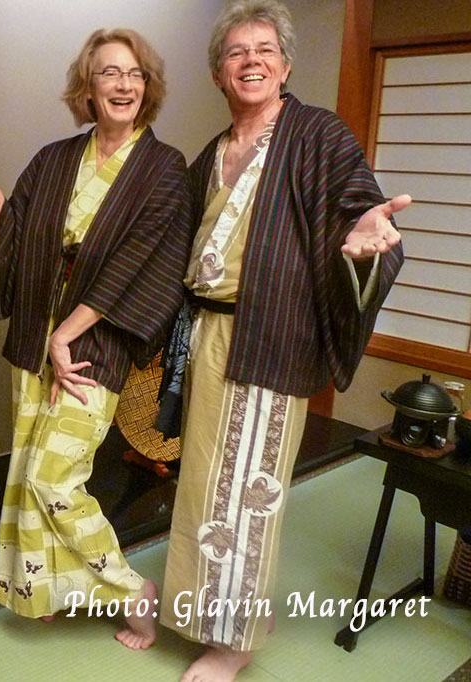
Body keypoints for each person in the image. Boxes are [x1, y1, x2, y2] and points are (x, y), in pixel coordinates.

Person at [157, 1, 408, 680]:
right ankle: (198, 614)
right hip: (207, 333)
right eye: (237, 51)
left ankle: (234, 642)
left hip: (273, 335)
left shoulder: (316, 134)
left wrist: (362, 240)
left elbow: (357, 199)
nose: (252, 61)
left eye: (265, 49)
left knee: (249, 490)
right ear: (218, 71)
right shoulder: (213, 152)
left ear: (286, 65)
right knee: (205, 481)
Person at [0, 28, 192, 648]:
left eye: (134, 74)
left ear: (147, 87)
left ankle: (133, 591)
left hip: (97, 341)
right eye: (108, 73)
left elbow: (142, 261)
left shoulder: (164, 168)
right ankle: (47, 587)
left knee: (56, 478)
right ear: (88, 87)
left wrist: (69, 334)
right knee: (28, 468)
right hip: (37, 334)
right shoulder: (54, 159)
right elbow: (24, 233)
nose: (123, 84)